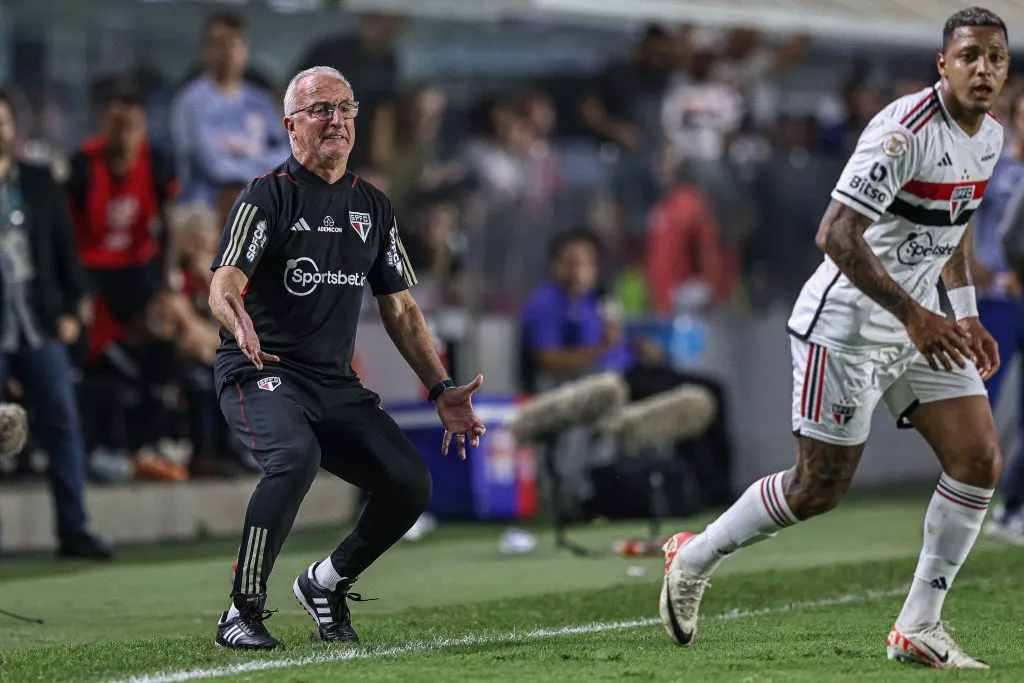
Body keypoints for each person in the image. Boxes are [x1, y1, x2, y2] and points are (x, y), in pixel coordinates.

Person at [660, 8, 1009, 669]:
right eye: (969, 56)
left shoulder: (989, 135)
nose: (983, 69)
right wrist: (916, 316)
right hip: (847, 325)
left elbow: (957, 219)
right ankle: (694, 556)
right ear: (943, 64)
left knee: (978, 458)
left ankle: (919, 625)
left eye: (995, 57)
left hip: (922, 326)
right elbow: (836, 234)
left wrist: (963, 313)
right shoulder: (904, 132)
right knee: (816, 489)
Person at [208, 66, 486, 650]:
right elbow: (224, 281)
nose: (335, 120)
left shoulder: (372, 207)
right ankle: (241, 611)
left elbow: (401, 309)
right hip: (261, 370)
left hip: (332, 383)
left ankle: (326, 583)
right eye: (320, 110)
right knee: (295, 459)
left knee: (409, 483)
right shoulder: (266, 196)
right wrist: (236, 319)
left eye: (344, 108)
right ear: (291, 125)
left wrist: (441, 389)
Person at [520, 229, 734, 515]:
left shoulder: (591, 300)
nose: (582, 270)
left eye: (588, 262)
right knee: (692, 397)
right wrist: (603, 349)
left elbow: (608, 341)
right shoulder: (545, 305)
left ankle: (713, 490)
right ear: (555, 265)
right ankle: (712, 492)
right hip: (605, 385)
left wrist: (635, 345)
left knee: (711, 390)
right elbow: (548, 361)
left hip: (630, 370)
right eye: (573, 262)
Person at [0, 91, 111, 559]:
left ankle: (74, 529)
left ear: (13, 128)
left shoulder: (38, 179)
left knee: (63, 423)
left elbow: (65, 246)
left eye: (4, 121)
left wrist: (70, 307)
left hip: (38, 324)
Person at [170, 14, 290, 211]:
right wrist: (260, 170)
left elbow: (284, 154)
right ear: (206, 50)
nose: (228, 51)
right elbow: (214, 166)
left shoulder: (260, 101)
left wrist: (251, 172)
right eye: (220, 44)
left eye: (234, 44)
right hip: (207, 205)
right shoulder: (191, 101)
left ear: (246, 50)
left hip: (259, 198)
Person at [972, 91, 1024, 543]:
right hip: (997, 301)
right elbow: (960, 219)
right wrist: (977, 268)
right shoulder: (995, 164)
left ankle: (1013, 506)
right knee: (979, 403)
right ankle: (964, 494)